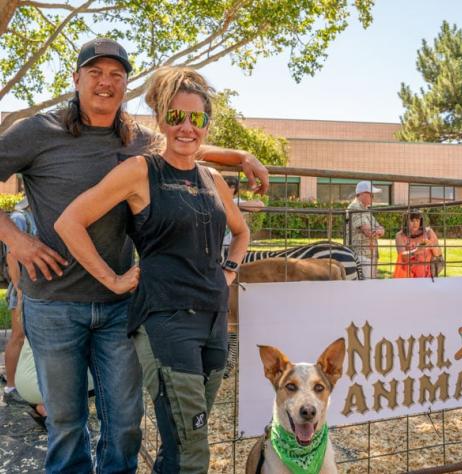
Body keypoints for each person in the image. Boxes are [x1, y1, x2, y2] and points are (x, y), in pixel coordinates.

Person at [0, 37, 267, 473]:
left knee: (125, 422)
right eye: (95, 73)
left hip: (120, 306)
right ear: (76, 78)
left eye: (116, 75)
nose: (105, 82)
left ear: (125, 84)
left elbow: (183, 143)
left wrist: (240, 156)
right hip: (54, 301)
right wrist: (17, 239)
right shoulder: (38, 131)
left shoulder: (137, 138)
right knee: (66, 422)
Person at [55, 66, 250, 473]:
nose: (186, 128)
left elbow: (241, 232)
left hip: (214, 322)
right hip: (165, 321)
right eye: (176, 117)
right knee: (194, 449)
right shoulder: (141, 171)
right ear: (161, 119)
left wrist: (229, 270)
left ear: (206, 125)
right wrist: (113, 279)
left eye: (197, 119)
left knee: (182, 443)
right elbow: (69, 222)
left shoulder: (212, 178)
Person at [3, 197, 36, 405]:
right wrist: (19, 288)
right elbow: (11, 257)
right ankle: (10, 386)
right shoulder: (20, 217)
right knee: (18, 335)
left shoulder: (36, 215)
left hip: (35, 289)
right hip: (22, 288)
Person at [346, 181, 385, 279]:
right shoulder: (355, 207)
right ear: (362, 194)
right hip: (361, 256)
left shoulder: (365, 209)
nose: (373, 197)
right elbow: (368, 232)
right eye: (371, 194)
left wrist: (378, 231)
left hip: (369, 255)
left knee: (369, 285)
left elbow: (381, 229)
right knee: (365, 286)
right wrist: (377, 231)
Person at [393, 209, 442, 278]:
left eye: (417, 220)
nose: (415, 223)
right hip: (408, 272)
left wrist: (431, 245)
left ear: (421, 221)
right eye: (412, 221)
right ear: (406, 222)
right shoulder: (399, 235)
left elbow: (438, 254)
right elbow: (402, 257)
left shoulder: (428, 232)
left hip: (428, 270)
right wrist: (417, 250)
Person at [222, 175, 265, 248]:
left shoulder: (237, 201)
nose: (228, 189)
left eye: (231, 187)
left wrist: (234, 205)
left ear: (235, 189)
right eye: (225, 185)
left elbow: (260, 205)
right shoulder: (214, 199)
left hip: (233, 245)